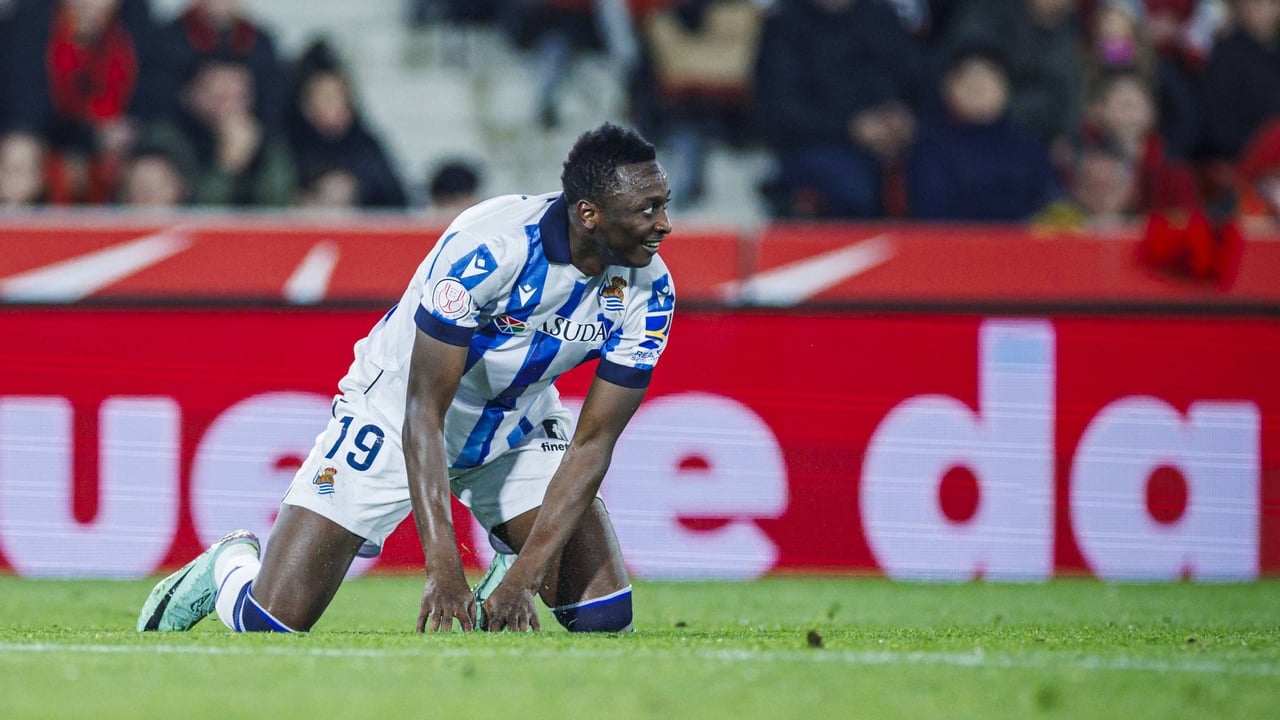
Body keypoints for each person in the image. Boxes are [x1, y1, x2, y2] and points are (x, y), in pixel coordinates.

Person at [137, 123, 676, 635]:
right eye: (646, 210)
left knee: (605, 615)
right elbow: (424, 411)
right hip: (397, 411)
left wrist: (523, 577)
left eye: (664, 204)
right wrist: (442, 567)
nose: (664, 224)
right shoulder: (490, 249)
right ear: (589, 214)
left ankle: (507, 558)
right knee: (273, 622)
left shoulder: (652, 291)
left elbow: (593, 442)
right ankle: (227, 565)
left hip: (518, 423)